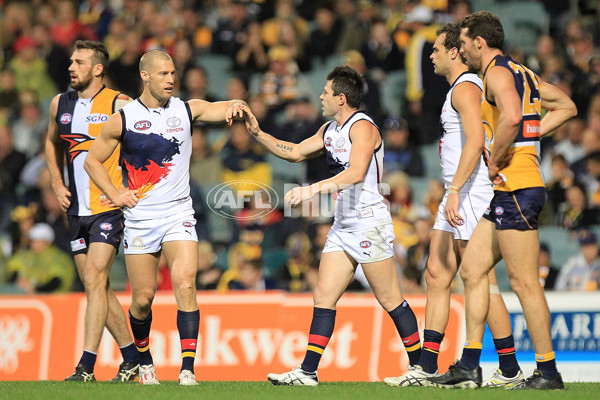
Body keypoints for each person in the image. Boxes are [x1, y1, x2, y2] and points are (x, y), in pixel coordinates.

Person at [240, 66, 422, 386]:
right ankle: (308, 371)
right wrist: (258, 134)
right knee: (323, 294)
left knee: (391, 299)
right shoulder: (329, 130)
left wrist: (313, 189)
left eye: (325, 92)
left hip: (369, 224)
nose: (321, 96)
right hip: (344, 224)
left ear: (341, 98)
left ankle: (422, 367)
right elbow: (295, 152)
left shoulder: (363, 128)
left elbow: (356, 171)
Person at [430, 11, 577, 389]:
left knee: (524, 282)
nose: (460, 49)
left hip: (517, 186)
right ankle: (469, 364)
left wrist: (497, 158)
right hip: (511, 187)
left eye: (462, 43)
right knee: (473, 269)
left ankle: (548, 372)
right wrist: (530, 140)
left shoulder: (495, 73)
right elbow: (566, 106)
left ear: (479, 42)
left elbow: (511, 116)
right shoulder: (522, 72)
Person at [84, 49, 248, 385]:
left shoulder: (185, 110)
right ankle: (144, 362)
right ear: (145, 76)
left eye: (173, 73)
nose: (171, 79)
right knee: (142, 300)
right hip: (142, 219)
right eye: (163, 74)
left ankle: (187, 370)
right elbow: (92, 161)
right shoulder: (125, 118)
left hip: (178, 214)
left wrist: (233, 105)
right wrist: (116, 195)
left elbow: (213, 108)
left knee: (186, 284)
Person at [384, 23, 524, 388]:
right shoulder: (459, 90)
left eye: (434, 50)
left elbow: (476, 139)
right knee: (435, 273)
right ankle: (428, 365)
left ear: (453, 52)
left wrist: (458, 190)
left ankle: (508, 368)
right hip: (458, 190)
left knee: (480, 280)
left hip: (471, 191)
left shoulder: (464, 88)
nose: (429, 56)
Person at [45, 40, 140, 383]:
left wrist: (132, 189)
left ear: (98, 69)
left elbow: (144, 148)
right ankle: (133, 359)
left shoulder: (120, 104)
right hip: (76, 212)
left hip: (107, 208)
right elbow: (50, 141)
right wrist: (57, 183)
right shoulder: (60, 103)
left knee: (96, 279)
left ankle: (85, 366)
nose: (71, 67)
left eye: (80, 62)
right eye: (71, 61)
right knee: (94, 285)